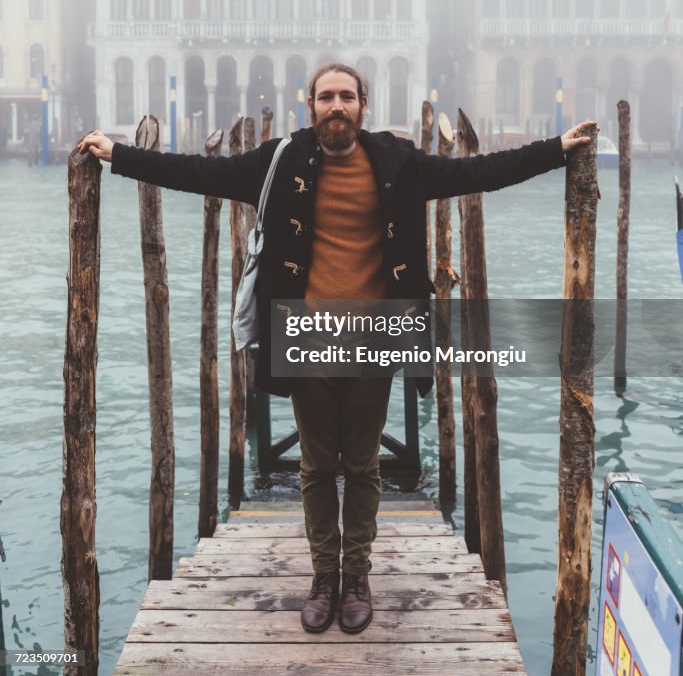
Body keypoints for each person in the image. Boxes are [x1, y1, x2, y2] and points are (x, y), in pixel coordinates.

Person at [80, 63, 593, 636]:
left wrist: (556, 150)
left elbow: (481, 172)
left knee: (364, 465)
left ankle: (358, 579)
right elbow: (199, 171)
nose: (337, 106)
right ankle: (325, 577)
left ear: (363, 104)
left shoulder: (398, 162)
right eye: (327, 97)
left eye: (346, 96)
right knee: (319, 467)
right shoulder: (281, 160)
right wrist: (119, 155)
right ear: (310, 105)